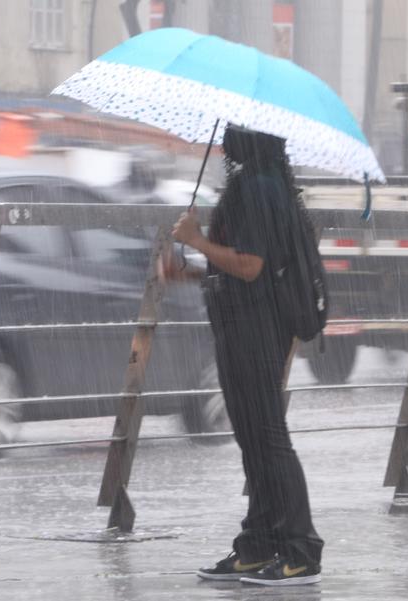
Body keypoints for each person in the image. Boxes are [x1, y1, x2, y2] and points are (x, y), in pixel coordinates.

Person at [172, 124, 324, 586]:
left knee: (268, 437)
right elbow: (238, 265)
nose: (224, 146)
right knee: (253, 438)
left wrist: (196, 241)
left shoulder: (259, 188)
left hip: (258, 328)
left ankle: (301, 549)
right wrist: (189, 271)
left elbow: (252, 266)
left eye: (233, 137)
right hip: (242, 324)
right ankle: (258, 543)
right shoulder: (253, 185)